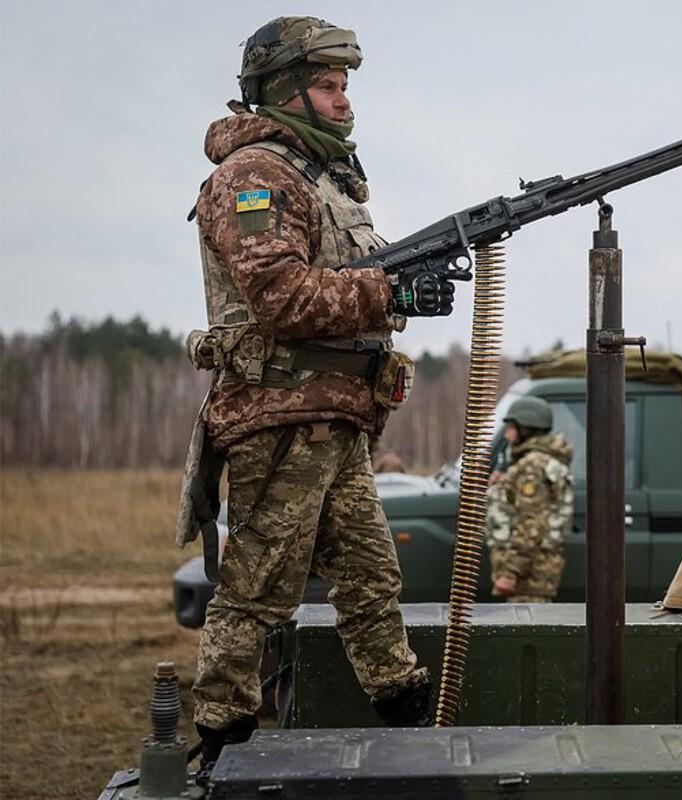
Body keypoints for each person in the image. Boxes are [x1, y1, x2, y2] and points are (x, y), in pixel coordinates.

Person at [182, 16, 463, 778]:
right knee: (258, 588)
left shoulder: (326, 180)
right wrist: (390, 288)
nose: (344, 102)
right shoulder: (257, 177)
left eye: (345, 88)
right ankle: (219, 739)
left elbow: (353, 286)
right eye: (328, 87)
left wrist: (404, 288)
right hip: (280, 415)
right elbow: (280, 299)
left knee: (373, 577)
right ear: (283, 92)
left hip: (332, 417)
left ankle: (403, 711)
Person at [486, 397, 574, 603]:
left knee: (526, 630)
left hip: (528, 577)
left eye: (511, 428)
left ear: (526, 428)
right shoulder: (536, 462)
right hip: (533, 573)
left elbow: (531, 524)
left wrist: (510, 573)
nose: (507, 435)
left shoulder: (532, 467)